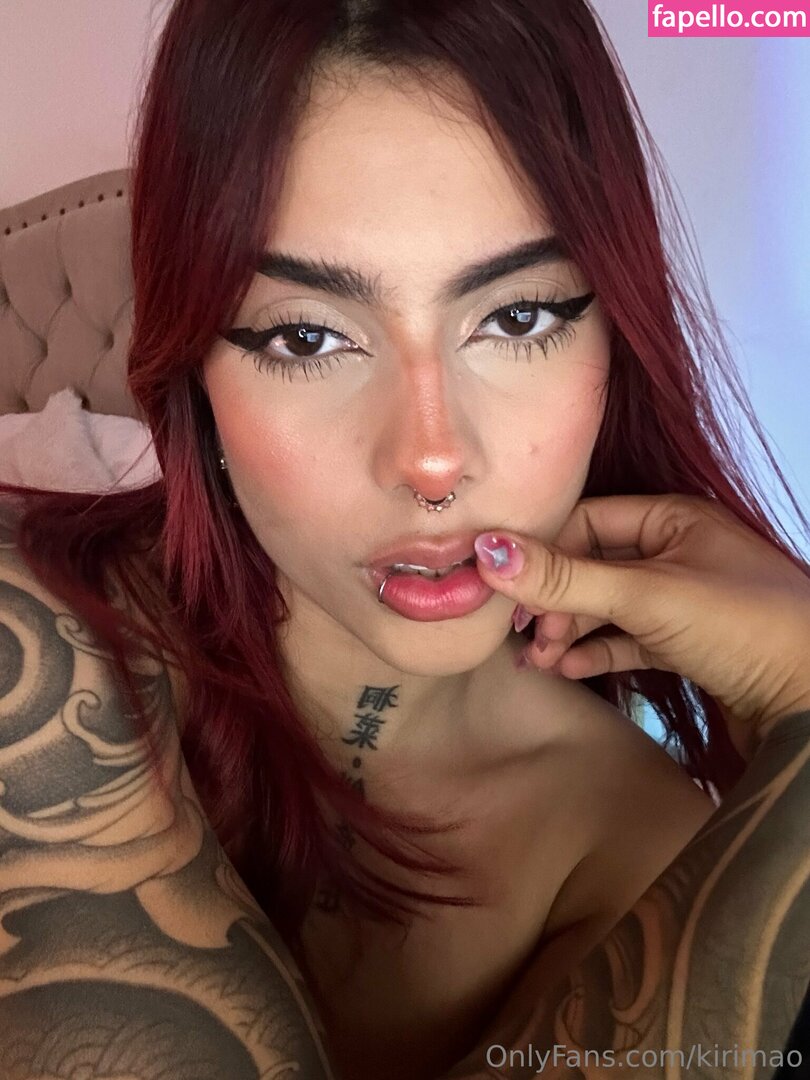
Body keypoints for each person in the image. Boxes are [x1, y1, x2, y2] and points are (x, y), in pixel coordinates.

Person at [0, 1, 808, 1078]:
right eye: (308, 336)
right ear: (195, 369)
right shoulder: (28, 634)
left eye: (517, 318)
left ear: (614, 335)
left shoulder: (635, 847)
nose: (431, 459)